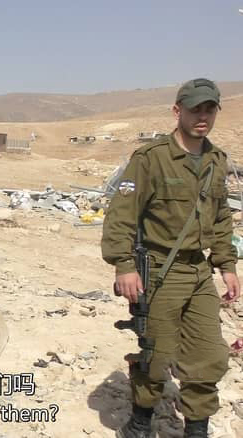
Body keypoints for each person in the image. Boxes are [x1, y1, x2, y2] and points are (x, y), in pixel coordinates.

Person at [102, 78, 239, 438]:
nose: (202, 117)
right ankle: (140, 421)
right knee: (155, 354)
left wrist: (226, 264)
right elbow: (121, 215)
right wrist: (124, 265)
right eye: (195, 109)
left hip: (198, 271)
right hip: (160, 269)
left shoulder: (215, 160)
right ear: (178, 111)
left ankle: (196, 429)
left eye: (209, 109)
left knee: (209, 355)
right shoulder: (152, 159)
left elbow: (221, 216)